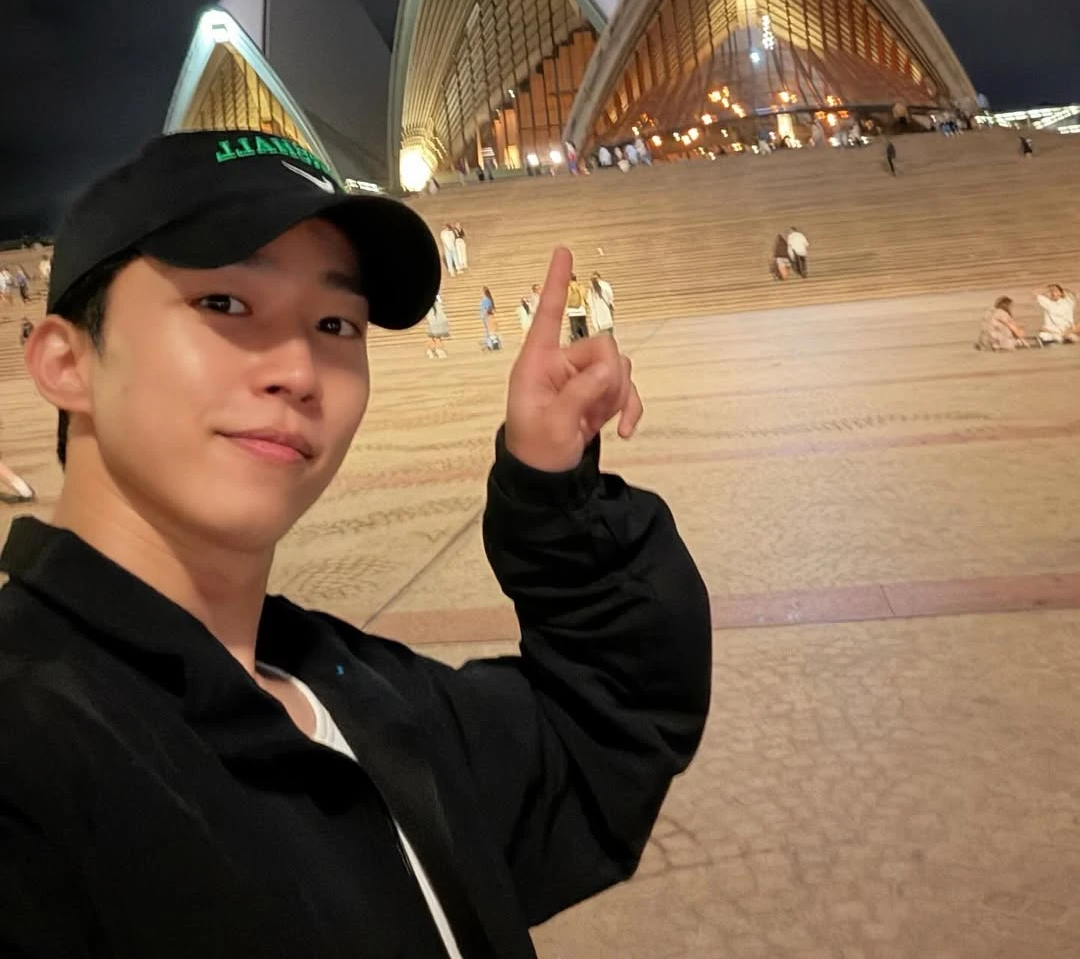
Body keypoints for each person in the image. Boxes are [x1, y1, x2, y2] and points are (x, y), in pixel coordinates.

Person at [0, 129, 710, 955]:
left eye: (336, 323)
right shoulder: (28, 758)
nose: (300, 372)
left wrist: (552, 487)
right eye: (224, 304)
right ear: (66, 362)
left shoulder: (354, 692)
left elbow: (601, 736)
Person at [566, 273, 589, 342]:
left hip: (572, 311)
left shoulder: (568, 288)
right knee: (583, 328)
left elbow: (566, 299)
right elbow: (586, 297)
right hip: (582, 310)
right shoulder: (581, 287)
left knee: (575, 330)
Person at [479, 285, 501, 349]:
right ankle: (491, 344)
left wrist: (484, 314)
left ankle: (493, 344)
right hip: (489, 316)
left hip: (488, 316)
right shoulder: (489, 299)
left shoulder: (486, 299)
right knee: (490, 331)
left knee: (490, 331)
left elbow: (487, 308)